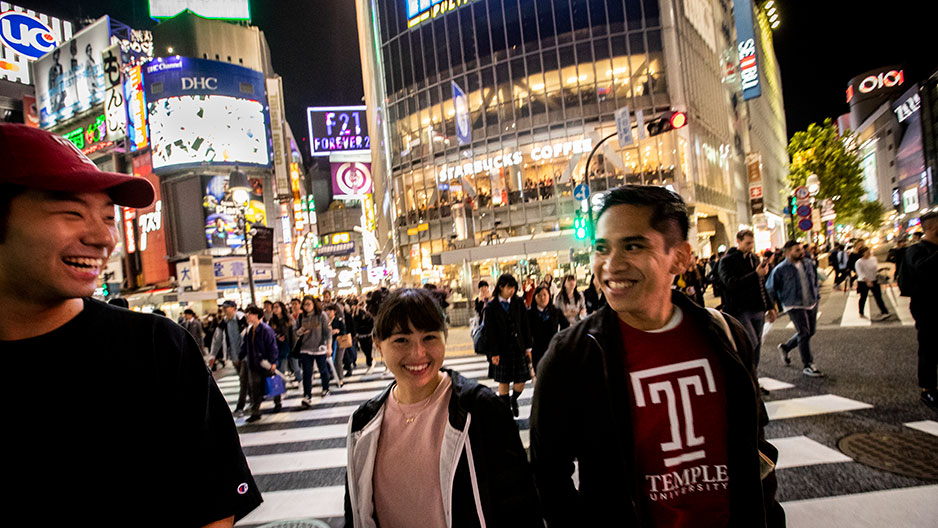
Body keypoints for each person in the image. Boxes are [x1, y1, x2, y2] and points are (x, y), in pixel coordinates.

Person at [0, 123, 261, 524]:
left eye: (108, 217)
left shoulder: (157, 349)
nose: (104, 238)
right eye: (71, 213)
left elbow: (213, 507)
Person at [530, 185, 783, 527]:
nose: (611, 265)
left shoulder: (726, 334)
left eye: (632, 246)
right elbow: (548, 475)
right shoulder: (572, 355)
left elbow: (755, 447)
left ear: (679, 258)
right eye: (601, 248)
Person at [344, 288, 541, 527]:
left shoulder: (481, 410)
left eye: (429, 337)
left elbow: (522, 509)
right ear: (378, 345)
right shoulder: (363, 423)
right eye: (401, 340)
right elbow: (355, 513)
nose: (418, 353)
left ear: (444, 337)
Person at [719, 230, 778, 376]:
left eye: (752, 243)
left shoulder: (754, 259)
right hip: (740, 309)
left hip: (757, 307)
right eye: (747, 243)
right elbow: (730, 283)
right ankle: (743, 377)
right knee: (749, 344)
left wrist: (770, 306)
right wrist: (755, 274)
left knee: (757, 345)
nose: (750, 246)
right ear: (738, 241)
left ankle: (753, 378)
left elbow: (761, 284)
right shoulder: (727, 261)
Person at [898, 211, 938, 412]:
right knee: (929, 347)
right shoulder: (916, 251)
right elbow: (922, 271)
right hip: (927, 306)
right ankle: (928, 388)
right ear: (931, 227)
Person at [767, 242, 824, 377]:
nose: (801, 252)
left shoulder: (808, 263)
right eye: (797, 250)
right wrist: (772, 307)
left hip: (811, 302)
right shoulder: (780, 269)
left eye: (801, 250)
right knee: (804, 333)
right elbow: (770, 288)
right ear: (787, 252)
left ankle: (785, 347)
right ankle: (808, 364)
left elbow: (815, 280)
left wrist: (817, 295)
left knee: (810, 331)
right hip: (793, 304)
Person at [480, 273, 533, 417]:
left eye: (514, 288)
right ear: (501, 287)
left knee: (521, 380)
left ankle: (513, 399)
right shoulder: (491, 307)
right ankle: (505, 413)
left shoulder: (518, 302)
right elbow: (489, 333)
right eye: (509, 287)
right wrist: (493, 353)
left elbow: (525, 326)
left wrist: (528, 348)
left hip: (518, 348)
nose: (512, 291)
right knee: (503, 381)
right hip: (501, 350)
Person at [240, 305, 281, 422]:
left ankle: (277, 402)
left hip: (265, 363)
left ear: (256, 315)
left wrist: (273, 362)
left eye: (250, 313)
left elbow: (272, 346)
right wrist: (241, 355)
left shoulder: (266, 330)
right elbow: (245, 345)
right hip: (254, 364)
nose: (247, 316)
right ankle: (255, 412)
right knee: (255, 388)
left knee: (272, 383)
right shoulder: (249, 329)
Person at [295, 295, 334, 402]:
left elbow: (327, 333)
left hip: (320, 347)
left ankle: (325, 388)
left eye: (309, 304)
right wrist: (301, 331)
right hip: (305, 348)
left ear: (314, 304)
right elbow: (296, 332)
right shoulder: (301, 317)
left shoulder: (321, 315)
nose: (306, 307)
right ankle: (307, 395)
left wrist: (329, 347)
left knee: (323, 370)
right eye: (305, 304)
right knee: (307, 373)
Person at [527, 285, 568, 372]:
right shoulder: (529, 314)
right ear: (535, 298)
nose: (542, 298)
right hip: (537, 350)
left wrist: (560, 340)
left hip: (553, 348)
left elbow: (566, 326)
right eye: (539, 296)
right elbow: (526, 331)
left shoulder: (556, 311)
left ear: (549, 296)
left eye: (545, 295)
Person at [854, 246, 890, 320]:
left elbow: (874, 269)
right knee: (863, 297)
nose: (869, 253)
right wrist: (867, 281)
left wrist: (882, 269)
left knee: (878, 297)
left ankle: (884, 312)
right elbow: (860, 273)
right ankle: (861, 312)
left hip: (874, 280)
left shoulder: (873, 259)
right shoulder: (859, 262)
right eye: (867, 252)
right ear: (862, 253)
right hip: (863, 282)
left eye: (869, 251)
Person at [270, 301, 299, 387]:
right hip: (279, 348)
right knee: (281, 369)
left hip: (291, 345)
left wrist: (295, 347)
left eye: (277, 307)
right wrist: (277, 337)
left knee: (295, 367)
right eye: (273, 308)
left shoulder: (288, 319)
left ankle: (301, 381)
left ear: (282, 308)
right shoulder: (272, 321)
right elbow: (270, 334)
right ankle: (281, 387)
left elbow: (294, 333)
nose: (275, 309)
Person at [350, 298, 376, 374]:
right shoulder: (355, 313)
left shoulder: (365, 313)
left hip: (366, 335)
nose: (353, 307)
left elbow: (370, 322)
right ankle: (370, 363)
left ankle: (370, 364)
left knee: (368, 351)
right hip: (360, 335)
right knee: (365, 350)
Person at [326, 303, 349, 384]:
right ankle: (333, 375)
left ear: (334, 311)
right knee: (331, 361)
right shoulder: (325, 321)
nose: (328, 312)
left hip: (339, 343)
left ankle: (340, 378)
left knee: (338, 360)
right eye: (327, 311)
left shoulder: (338, 320)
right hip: (330, 344)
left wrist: (337, 331)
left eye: (330, 311)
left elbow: (344, 330)